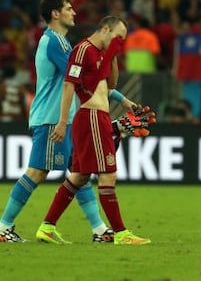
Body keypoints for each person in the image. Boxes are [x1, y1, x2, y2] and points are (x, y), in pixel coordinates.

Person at [0, 0, 134, 243]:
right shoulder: (55, 43)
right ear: (55, 14)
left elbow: (86, 77)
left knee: (78, 172)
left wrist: (121, 99)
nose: (74, 12)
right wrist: (118, 98)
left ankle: (98, 229)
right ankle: (3, 225)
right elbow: (83, 78)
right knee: (38, 172)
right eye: (69, 8)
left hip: (64, 116)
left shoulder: (59, 42)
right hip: (53, 117)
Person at [35, 16, 151, 245]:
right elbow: (69, 84)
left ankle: (46, 227)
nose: (120, 42)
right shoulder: (83, 50)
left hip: (99, 117)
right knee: (108, 173)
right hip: (91, 117)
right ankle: (121, 233)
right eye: (118, 37)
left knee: (79, 176)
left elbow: (111, 86)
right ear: (105, 29)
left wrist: (113, 55)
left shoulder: (100, 53)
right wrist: (61, 121)